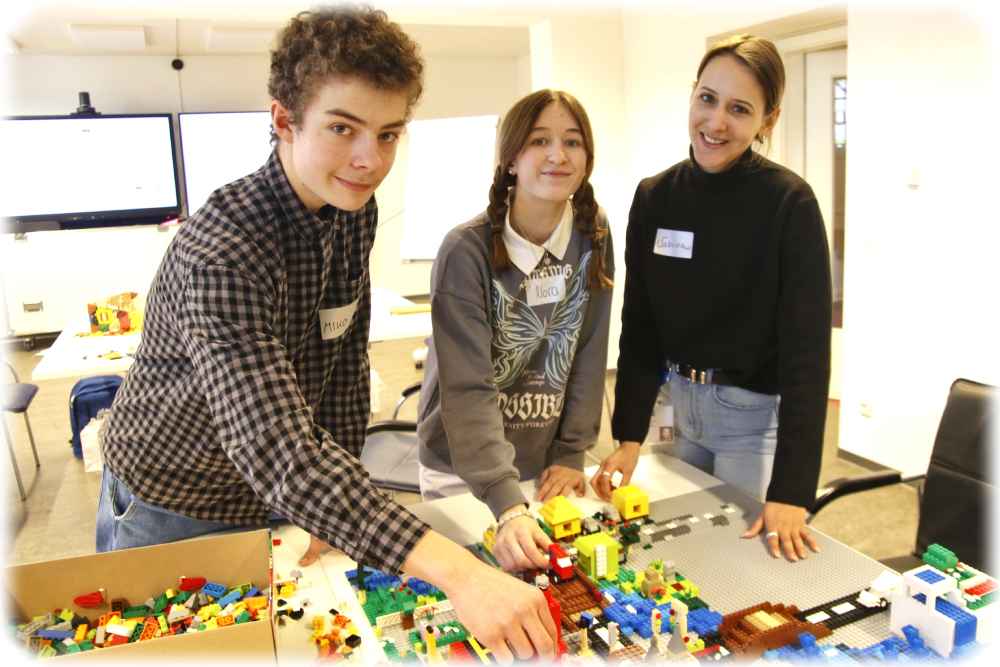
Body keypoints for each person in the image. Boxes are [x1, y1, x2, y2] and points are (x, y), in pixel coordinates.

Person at [95, 8, 555, 661]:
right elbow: (277, 445)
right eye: (343, 128)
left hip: (274, 492)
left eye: (390, 133)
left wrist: (332, 503)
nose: (370, 160)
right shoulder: (223, 249)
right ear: (283, 119)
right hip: (176, 499)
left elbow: (340, 359)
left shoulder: (351, 210)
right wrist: (462, 571)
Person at [592, 34, 832, 563]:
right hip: (677, 407)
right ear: (693, 96)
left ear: (766, 121)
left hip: (749, 419)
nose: (716, 122)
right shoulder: (656, 196)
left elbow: (807, 357)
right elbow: (642, 326)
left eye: (739, 109)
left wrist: (793, 488)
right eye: (707, 98)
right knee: (682, 554)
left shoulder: (788, 204)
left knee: (745, 565)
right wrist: (629, 433)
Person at [416, 89, 614, 573]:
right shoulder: (466, 250)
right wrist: (505, 501)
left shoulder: (595, 235)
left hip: (546, 465)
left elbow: (589, 353)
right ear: (510, 159)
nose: (557, 155)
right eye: (539, 140)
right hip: (464, 466)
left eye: (572, 141)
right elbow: (467, 386)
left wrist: (572, 451)